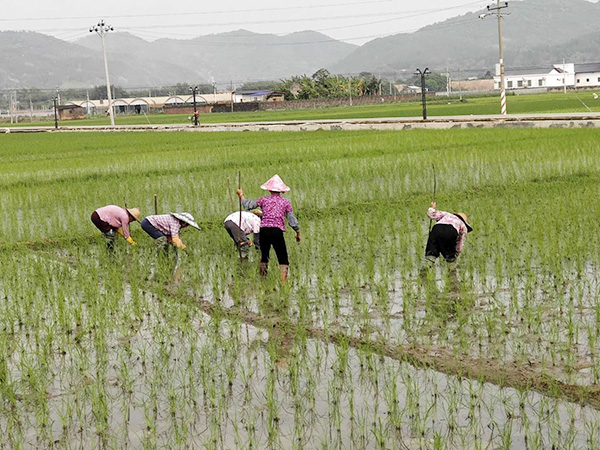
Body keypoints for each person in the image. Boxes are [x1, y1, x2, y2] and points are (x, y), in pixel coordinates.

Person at [237, 174, 301, 282]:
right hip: (277, 231)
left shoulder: (263, 200)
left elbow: (248, 205)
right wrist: (298, 232)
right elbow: (292, 220)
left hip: (264, 230)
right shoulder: (285, 202)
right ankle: (283, 283)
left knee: (264, 256)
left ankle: (263, 279)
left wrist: (241, 195)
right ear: (281, 191)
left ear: (269, 189)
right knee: (283, 258)